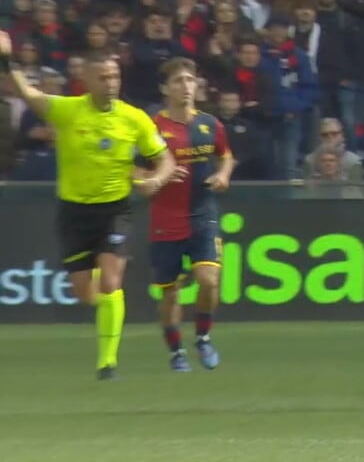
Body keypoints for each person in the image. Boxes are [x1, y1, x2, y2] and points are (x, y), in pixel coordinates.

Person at [0, 32, 176, 379]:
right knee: (85, 293)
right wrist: (7, 62)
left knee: (111, 280)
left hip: (114, 211)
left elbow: (165, 159)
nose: (110, 83)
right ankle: (109, 310)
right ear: (87, 80)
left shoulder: (134, 118)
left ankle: (107, 363)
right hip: (74, 213)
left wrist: (156, 180)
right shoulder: (69, 110)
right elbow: (29, 94)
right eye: (103, 77)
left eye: (114, 76)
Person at [146, 59, 233, 372]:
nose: (185, 86)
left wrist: (223, 175)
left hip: (203, 214)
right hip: (166, 220)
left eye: (189, 80)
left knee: (209, 280)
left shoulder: (210, 124)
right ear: (164, 88)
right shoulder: (152, 128)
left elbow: (226, 155)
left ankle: (203, 338)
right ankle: (176, 352)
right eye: (178, 81)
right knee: (170, 293)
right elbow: (134, 169)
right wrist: (156, 178)